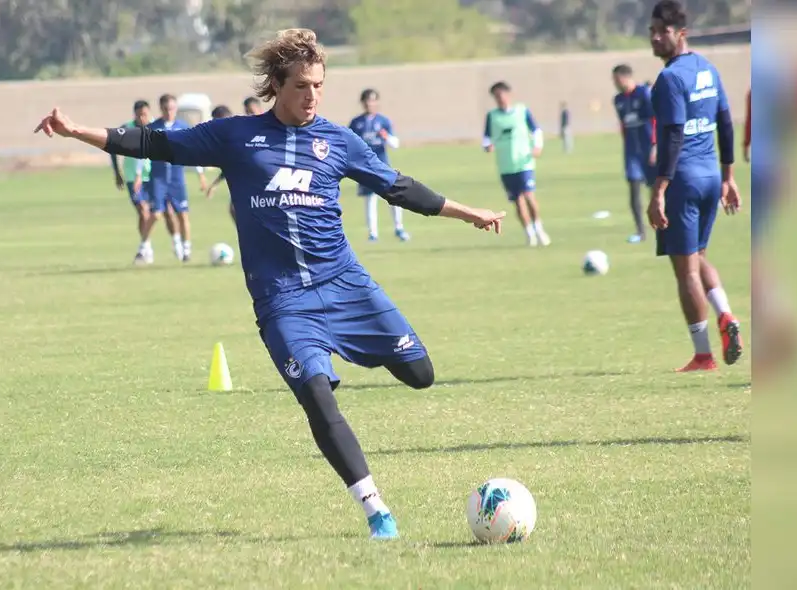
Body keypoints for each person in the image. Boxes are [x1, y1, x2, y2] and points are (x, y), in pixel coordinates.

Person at [34, 28, 506, 540]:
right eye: (302, 85)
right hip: (284, 302)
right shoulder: (236, 137)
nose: (312, 96)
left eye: (319, 86)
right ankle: (377, 512)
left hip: (347, 285)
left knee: (421, 374)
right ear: (277, 85)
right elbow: (153, 143)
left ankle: (342, 348)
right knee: (317, 396)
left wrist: (467, 213)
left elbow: (398, 187)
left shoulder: (337, 140)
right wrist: (76, 130)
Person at [646, 0, 742, 372]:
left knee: (684, 270)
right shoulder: (707, 68)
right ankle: (727, 317)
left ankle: (703, 355)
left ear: (680, 33)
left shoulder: (670, 78)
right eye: (652, 32)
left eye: (663, 32)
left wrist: (659, 190)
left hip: (683, 181)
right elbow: (726, 122)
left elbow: (671, 135)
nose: (656, 38)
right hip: (709, 177)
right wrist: (729, 176)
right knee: (698, 257)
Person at [483, 82, 550, 247]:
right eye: (496, 97)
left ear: (508, 95)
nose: (500, 99)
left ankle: (539, 228)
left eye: (501, 95)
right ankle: (529, 233)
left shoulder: (522, 111)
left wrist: (537, 146)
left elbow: (536, 130)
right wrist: (487, 145)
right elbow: (486, 137)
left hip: (524, 162)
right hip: (506, 165)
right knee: (517, 201)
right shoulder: (492, 116)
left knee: (529, 196)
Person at [148, 94, 209, 262]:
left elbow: (194, 151)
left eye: (172, 108)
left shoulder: (183, 127)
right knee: (162, 213)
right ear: (161, 109)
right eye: (166, 109)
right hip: (158, 177)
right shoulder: (153, 128)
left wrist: (201, 175)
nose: (169, 112)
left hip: (177, 177)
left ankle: (187, 249)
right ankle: (174, 244)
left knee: (182, 214)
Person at [349, 89, 409, 242]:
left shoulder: (383, 121)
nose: (371, 104)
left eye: (374, 100)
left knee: (394, 197)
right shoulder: (356, 123)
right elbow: (349, 144)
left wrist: (386, 136)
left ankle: (399, 228)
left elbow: (395, 144)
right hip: (365, 167)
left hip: (383, 165)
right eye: (368, 100)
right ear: (363, 103)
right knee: (370, 199)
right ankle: (373, 233)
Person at [612, 64, 658, 243]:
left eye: (616, 79)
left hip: (649, 148)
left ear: (625, 77)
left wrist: (656, 144)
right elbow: (623, 124)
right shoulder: (618, 100)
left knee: (655, 190)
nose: (615, 83)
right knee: (633, 189)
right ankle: (640, 232)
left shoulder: (644, 93)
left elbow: (655, 119)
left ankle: (662, 226)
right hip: (632, 152)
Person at [111, 100, 154, 264]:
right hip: (132, 177)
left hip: (151, 176)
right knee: (143, 211)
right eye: (140, 114)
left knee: (154, 213)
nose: (143, 117)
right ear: (134, 114)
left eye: (146, 114)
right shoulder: (127, 128)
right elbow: (113, 147)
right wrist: (118, 172)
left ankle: (151, 245)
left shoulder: (154, 126)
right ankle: (146, 247)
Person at [205, 105, 238, 223]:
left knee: (236, 210)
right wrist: (215, 184)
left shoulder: (238, 135)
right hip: (243, 183)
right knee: (234, 210)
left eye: (216, 121)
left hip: (256, 183)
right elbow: (231, 164)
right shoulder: (227, 137)